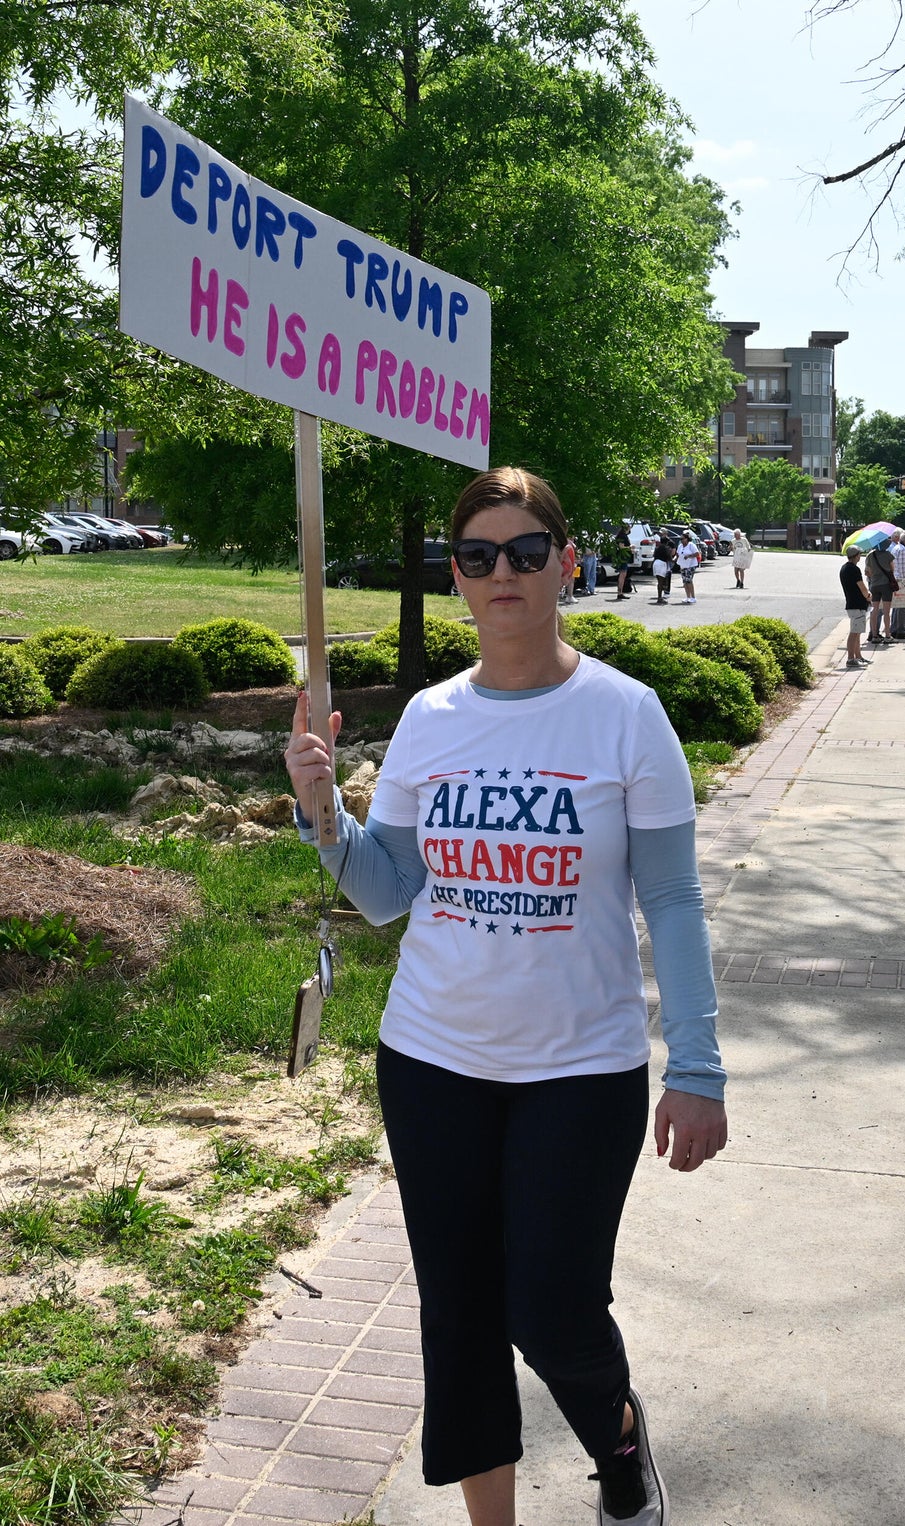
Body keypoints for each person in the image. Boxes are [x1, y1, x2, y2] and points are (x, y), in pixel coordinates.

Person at [284, 467, 727, 1526]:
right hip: (432, 1057)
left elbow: (669, 898)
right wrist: (320, 812)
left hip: (580, 1067)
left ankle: (618, 1443)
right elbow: (387, 892)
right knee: (461, 1318)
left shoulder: (625, 715)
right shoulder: (433, 720)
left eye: (526, 552)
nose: (503, 574)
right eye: (477, 557)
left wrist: (697, 1064)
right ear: (457, 579)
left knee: (554, 1309)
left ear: (564, 564)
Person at [840, 544, 872, 668]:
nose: (860, 556)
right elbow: (861, 586)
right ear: (856, 556)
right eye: (859, 554)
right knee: (854, 632)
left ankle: (858, 656)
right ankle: (850, 658)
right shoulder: (854, 569)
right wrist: (868, 596)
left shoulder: (844, 568)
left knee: (857, 631)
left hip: (851, 603)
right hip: (857, 604)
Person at [865, 537, 896, 643]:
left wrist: (874, 575)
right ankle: (887, 635)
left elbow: (867, 572)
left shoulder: (870, 555)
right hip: (886, 585)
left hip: (874, 585)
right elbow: (892, 569)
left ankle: (874, 635)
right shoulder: (888, 555)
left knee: (874, 610)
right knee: (887, 611)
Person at [888, 532, 905, 639]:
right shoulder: (902, 550)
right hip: (901, 580)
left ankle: (894, 629)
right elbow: (903, 569)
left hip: (896, 579)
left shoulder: (896, 548)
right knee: (903, 606)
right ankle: (900, 630)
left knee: (897, 606)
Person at [675, 528, 701, 604]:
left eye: (682, 539)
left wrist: (689, 556)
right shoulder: (680, 546)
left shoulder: (691, 545)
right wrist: (675, 559)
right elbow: (677, 554)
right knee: (684, 581)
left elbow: (697, 554)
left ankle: (693, 597)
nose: (681, 540)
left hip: (690, 565)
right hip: (683, 565)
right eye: (680, 539)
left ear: (686, 539)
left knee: (689, 580)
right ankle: (687, 597)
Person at [651, 533, 675, 605]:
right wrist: (676, 558)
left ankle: (660, 597)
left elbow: (654, 555)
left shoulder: (657, 548)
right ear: (667, 542)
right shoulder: (667, 548)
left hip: (655, 563)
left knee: (660, 581)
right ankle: (660, 598)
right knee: (661, 582)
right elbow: (670, 559)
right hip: (661, 564)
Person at [612, 527, 634, 601]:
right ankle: (619, 593)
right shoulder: (622, 536)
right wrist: (630, 548)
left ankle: (620, 592)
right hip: (622, 558)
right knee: (622, 575)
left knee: (623, 575)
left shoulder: (621, 535)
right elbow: (621, 547)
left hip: (623, 557)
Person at [578, 533, 599, 598]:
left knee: (593, 574)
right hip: (587, 557)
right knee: (586, 574)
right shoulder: (585, 539)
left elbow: (598, 548)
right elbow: (584, 550)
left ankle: (592, 589)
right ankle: (586, 589)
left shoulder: (596, 539)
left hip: (593, 556)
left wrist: (595, 551)